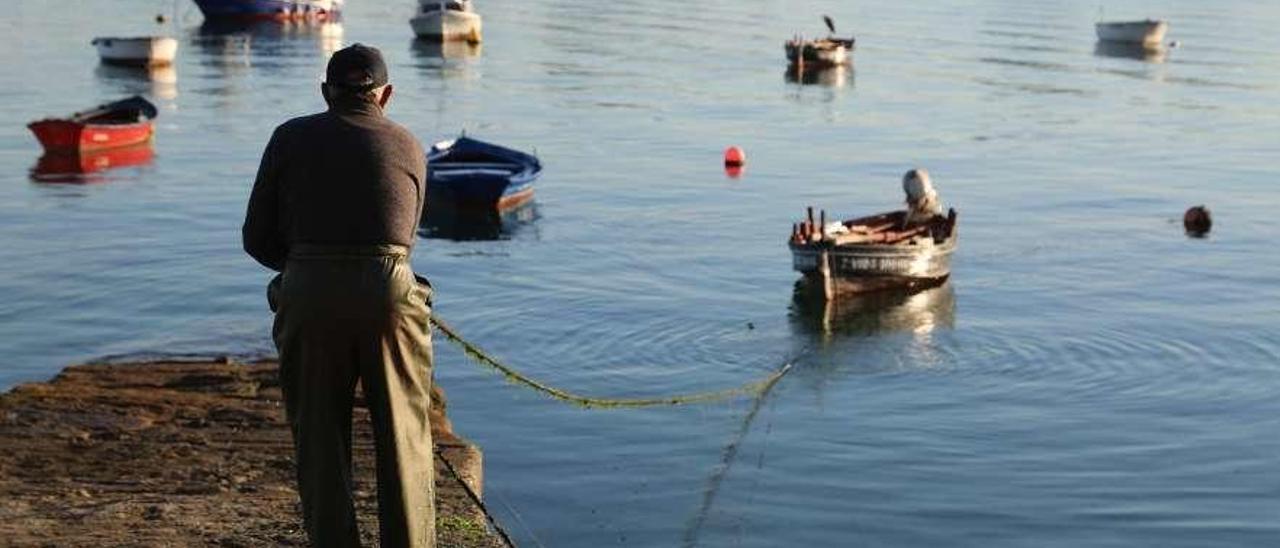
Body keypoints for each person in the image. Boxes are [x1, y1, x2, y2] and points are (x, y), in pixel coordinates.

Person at [242, 43, 435, 548]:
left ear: (326, 92)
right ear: (385, 95)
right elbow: (404, 238)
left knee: (319, 437)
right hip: (391, 290)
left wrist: (305, 267)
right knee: (404, 438)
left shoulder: (289, 138)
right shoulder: (409, 144)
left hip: (308, 288)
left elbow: (256, 239)